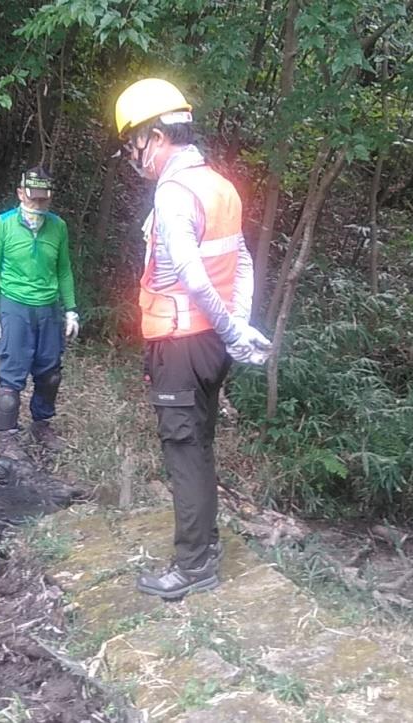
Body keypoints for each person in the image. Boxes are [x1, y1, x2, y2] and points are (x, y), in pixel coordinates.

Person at [114, 78, 271, 600]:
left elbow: (190, 272)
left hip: (181, 343)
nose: (134, 158)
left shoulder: (176, 192)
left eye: (133, 144)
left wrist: (233, 328)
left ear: (156, 137)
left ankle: (193, 566)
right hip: (208, 345)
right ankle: (206, 548)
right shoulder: (220, 185)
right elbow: (241, 258)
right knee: (199, 446)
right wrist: (237, 328)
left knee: (183, 451)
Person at [0, 167, 79, 452]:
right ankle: (6, 435)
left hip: (48, 308)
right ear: (20, 193)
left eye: (43, 200)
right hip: (15, 305)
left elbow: (64, 270)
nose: (38, 205)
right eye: (33, 199)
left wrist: (71, 309)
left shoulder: (58, 226)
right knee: (12, 376)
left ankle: (41, 425)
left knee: (50, 373)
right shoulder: (3, 224)